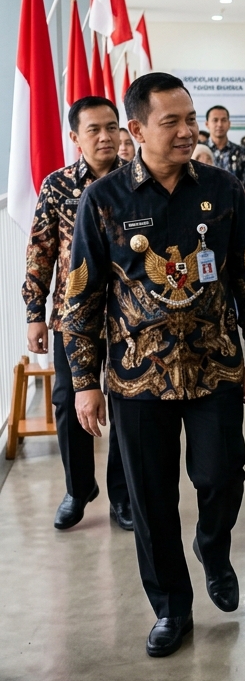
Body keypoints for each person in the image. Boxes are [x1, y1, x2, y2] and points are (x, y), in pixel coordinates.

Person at [62, 72, 245, 659]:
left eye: (190, 118)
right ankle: (171, 608)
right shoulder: (104, 201)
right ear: (137, 129)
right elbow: (82, 298)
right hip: (136, 375)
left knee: (223, 473)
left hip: (214, 368)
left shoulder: (224, 189)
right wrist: (84, 383)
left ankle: (213, 543)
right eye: (171, 122)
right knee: (151, 498)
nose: (187, 131)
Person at [23, 96, 132, 532]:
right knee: (68, 403)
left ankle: (123, 496)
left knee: (127, 407)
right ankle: (77, 487)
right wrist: (34, 312)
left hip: (129, 318)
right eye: (94, 130)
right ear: (75, 137)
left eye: (111, 127)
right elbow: (40, 253)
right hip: (74, 317)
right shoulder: (58, 185)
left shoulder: (137, 182)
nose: (105, 137)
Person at [206, 105, 245, 203]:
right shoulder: (198, 152)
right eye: (215, 120)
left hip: (234, 207)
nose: (219, 124)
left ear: (229, 124)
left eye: (223, 120)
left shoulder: (242, 153)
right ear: (207, 124)